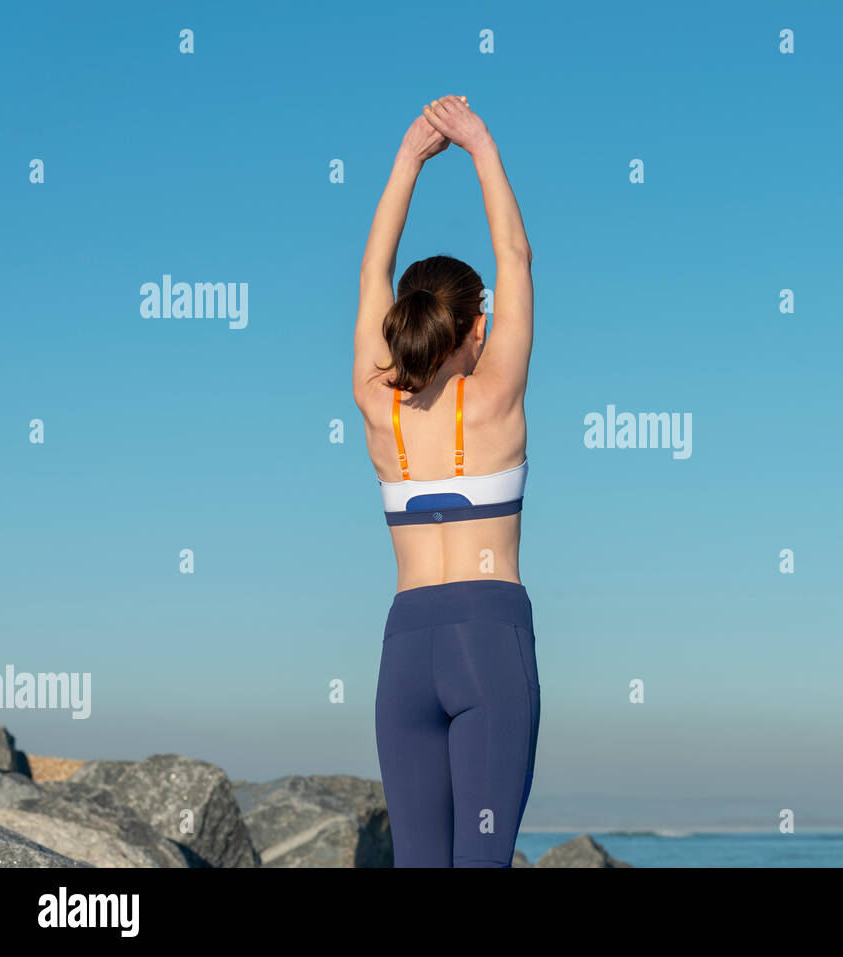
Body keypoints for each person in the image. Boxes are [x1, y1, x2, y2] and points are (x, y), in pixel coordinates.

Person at [352, 95, 538, 867]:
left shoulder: (375, 404)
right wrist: (480, 144)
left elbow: (372, 267)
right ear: (477, 329)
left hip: (405, 653)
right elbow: (515, 258)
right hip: (486, 642)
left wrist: (408, 158)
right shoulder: (493, 397)